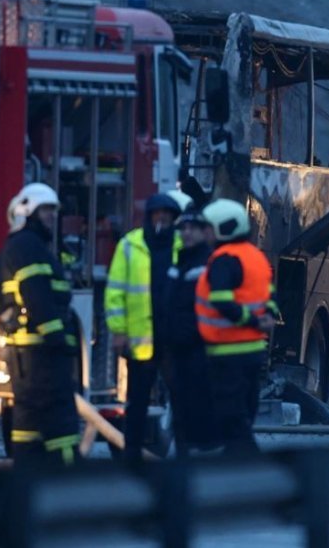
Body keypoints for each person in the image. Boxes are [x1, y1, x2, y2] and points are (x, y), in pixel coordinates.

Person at [0, 183, 80, 468]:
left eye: (53, 212)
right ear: (28, 213)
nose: (51, 217)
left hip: (24, 359)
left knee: (27, 424)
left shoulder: (13, 248)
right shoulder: (29, 247)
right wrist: (60, 344)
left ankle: (26, 481)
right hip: (43, 356)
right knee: (62, 424)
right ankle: (69, 486)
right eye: (46, 211)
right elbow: (38, 297)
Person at [105, 192, 184, 466]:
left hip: (173, 340)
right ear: (149, 216)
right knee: (136, 403)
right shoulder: (130, 245)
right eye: (157, 213)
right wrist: (118, 330)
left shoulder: (181, 245)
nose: (161, 217)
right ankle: (131, 457)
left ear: (174, 218)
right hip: (142, 341)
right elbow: (115, 291)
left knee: (181, 400)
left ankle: (183, 456)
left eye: (167, 214)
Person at [195, 199, 277, 456]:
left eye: (208, 228)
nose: (204, 234)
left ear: (224, 228)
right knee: (246, 409)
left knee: (231, 414)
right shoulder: (256, 257)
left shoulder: (223, 259)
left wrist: (251, 320)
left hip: (227, 351)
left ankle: (244, 463)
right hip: (254, 350)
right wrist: (265, 318)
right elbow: (269, 296)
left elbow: (221, 302)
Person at [163, 206, 217, 455]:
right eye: (182, 228)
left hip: (198, 351)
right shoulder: (180, 264)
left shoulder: (206, 265)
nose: (186, 233)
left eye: (192, 228)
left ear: (204, 232)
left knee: (197, 411)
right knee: (180, 411)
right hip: (177, 351)